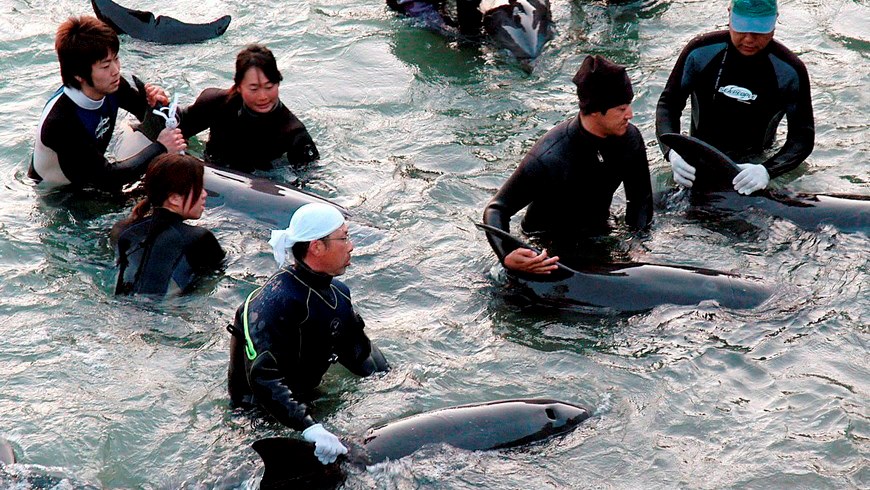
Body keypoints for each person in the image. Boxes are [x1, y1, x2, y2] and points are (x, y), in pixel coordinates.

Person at [226, 203, 389, 465]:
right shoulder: (275, 302)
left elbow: (358, 352)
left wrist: (394, 385)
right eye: (344, 237)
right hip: (258, 420)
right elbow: (262, 377)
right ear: (316, 247)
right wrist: (308, 427)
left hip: (308, 405)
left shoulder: (338, 295)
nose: (351, 246)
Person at [482, 55, 653, 275]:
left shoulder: (630, 140)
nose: (630, 115)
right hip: (547, 250)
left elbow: (640, 201)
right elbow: (497, 208)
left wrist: (637, 243)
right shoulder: (550, 157)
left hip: (600, 235)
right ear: (595, 110)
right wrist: (507, 254)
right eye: (621, 109)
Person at [656, 0, 814, 195]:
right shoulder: (701, 52)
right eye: (741, 29)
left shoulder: (789, 70)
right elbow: (668, 105)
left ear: (774, 24)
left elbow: (802, 137)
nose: (749, 39)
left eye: (759, 32)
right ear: (729, 16)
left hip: (754, 166)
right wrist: (672, 153)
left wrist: (767, 170)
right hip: (698, 158)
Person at [30, 16, 186, 190]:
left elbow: (146, 113)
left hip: (94, 175)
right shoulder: (60, 123)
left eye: (116, 59)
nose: (116, 70)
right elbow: (108, 177)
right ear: (78, 74)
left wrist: (157, 102)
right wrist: (160, 147)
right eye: (105, 66)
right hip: (59, 196)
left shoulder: (111, 85)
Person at [176, 44, 319, 173]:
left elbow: (309, 180)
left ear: (278, 83)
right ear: (239, 86)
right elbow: (176, 128)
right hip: (213, 170)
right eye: (254, 89)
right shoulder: (215, 103)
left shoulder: (294, 133)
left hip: (264, 183)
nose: (263, 96)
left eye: (269, 87)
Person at [111, 154, 225, 296]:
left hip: (120, 310)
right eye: (199, 187)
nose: (204, 194)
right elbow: (216, 280)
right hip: (162, 314)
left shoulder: (122, 230)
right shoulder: (198, 238)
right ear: (174, 199)